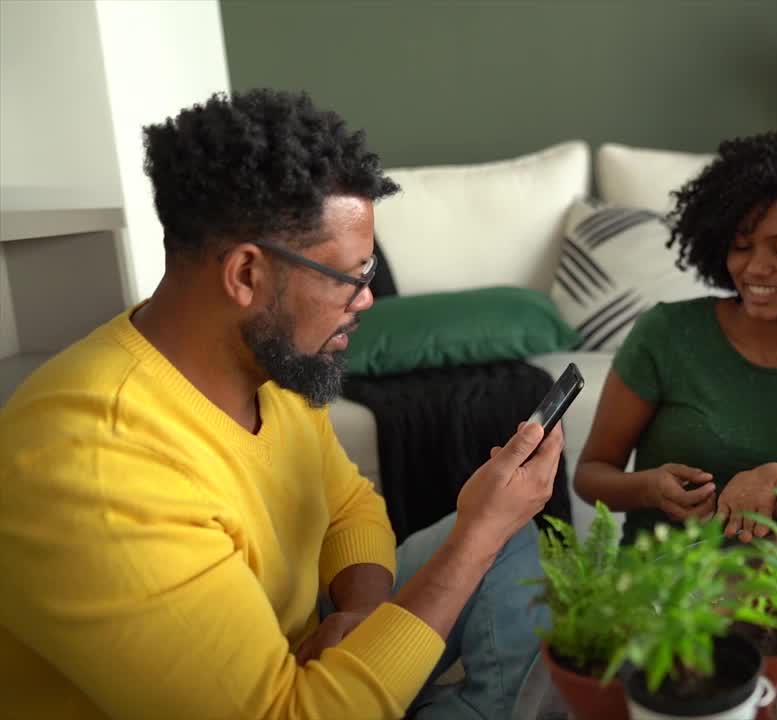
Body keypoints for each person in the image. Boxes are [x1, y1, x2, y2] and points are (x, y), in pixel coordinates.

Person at [0, 89, 562, 720]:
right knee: (486, 538)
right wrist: (475, 535)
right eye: (349, 277)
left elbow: (349, 504)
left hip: (300, 649)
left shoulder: (267, 368)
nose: (367, 299)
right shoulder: (94, 467)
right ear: (246, 275)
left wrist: (363, 612)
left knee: (511, 535)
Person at [574, 128, 777, 544]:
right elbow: (591, 474)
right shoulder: (667, 334)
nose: (756, 268)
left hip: (773, 594)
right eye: (742, 246)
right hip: (663, 591)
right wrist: (648, 487)